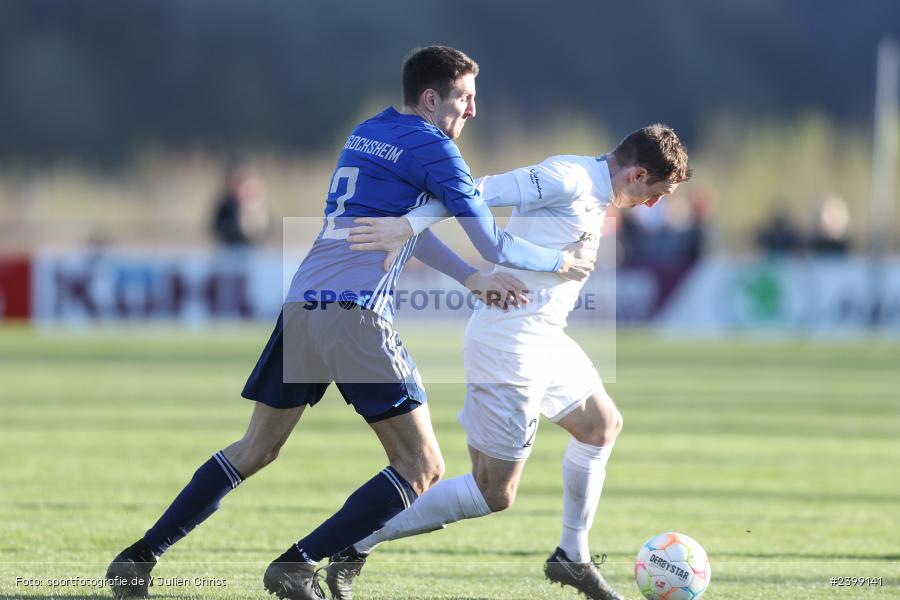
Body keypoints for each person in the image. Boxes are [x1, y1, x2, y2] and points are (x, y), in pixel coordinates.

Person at [105, 46, 592, 600]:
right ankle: (297, 564)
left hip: (303, 304)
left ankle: (137, 559)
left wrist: (468, 278)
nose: (473, 110)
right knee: (422, 466)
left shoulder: (367, 132)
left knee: (254, 449)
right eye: (465, 98)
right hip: (355, 311)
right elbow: (494, 242)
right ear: (431, 99)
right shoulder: (436, 148)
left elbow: (400, 229)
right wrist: (562, 261)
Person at [324, 124, 692, 600]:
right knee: (493, 492)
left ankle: (572, 556)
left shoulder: (596, 193)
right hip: (509, 346)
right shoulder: (569, 178)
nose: (653, 204)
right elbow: (474, 190)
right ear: (637, 174)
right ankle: (356, 541)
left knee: (602, 425)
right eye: (657, 193)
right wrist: (408, 226)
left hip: (545, 339)